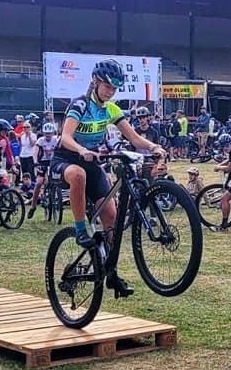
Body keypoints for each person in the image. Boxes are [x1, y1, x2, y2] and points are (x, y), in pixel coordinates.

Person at [52, 59, 166, 249]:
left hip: (91, 162)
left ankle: (109, 263)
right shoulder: (80, 105)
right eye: (107, 86)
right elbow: (65, 137)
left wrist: (154, 147)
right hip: (66, 159)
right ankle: (81, 230)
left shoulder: (111, 109)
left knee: (111, 217)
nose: (110, 92)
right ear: (95, 82)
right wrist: (81, 149)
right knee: (79, 175)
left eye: (114, 89)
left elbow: (134, 138)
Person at [27, 122, 59, 219]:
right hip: (42, 162)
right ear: (43, 133)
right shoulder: (40, 140)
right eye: (46, 133)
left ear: (53, 133)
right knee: (38, 183)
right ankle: (33, 206)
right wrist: (35, 161)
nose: (48, 135)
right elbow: (35, 152)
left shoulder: (56, 140)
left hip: (53, 162)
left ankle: (57, 195)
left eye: (50, 133)